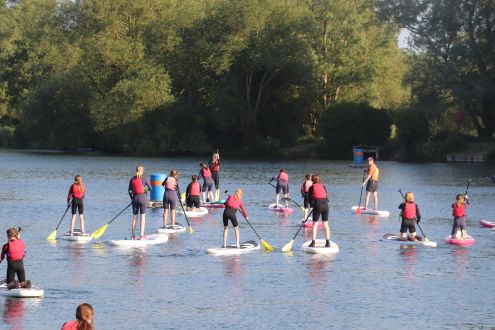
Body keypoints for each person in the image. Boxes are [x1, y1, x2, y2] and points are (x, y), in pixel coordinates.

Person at [128, 165, 152, 240]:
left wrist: (132, 198)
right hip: (142, 199)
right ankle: (141, 236)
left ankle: (133, 236)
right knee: (142, 217)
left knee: (135, 217)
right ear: (142, 171)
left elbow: (129, 190)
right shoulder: (144, 178)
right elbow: (150, 188)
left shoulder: (132, 179)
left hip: (135, 199)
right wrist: (145, 189)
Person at [307, 174, 331, 247]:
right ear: (319, 179)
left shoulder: (311, 187)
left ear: (312, 180)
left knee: (315, 224)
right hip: (326, 205)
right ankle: (327, 242)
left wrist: (312, 206)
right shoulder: (323, 186)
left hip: (318, 204)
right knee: (326, 224)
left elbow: (310, 200)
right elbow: (327, 198)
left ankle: (313, 242)